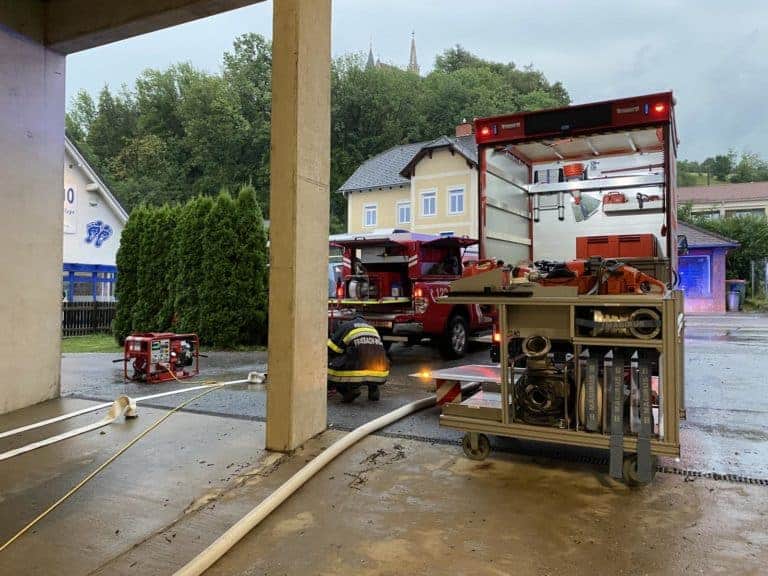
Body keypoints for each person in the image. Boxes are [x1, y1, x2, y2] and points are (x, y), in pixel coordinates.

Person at [327, 315, 390, 403]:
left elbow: (332, 349)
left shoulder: (347, 326)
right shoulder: (372, 328)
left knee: (331, 367)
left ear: (352, 319)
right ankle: (373, 390)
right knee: (369, 357)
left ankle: (349, 391)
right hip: (381, 372)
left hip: (357, 372)